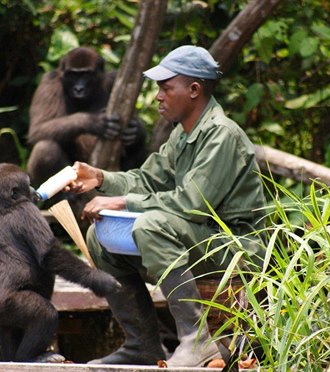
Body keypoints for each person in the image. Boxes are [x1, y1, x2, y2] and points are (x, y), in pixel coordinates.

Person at [67, 45, 266, 367]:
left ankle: (198, 339)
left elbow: (190, 204)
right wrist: (100, 178)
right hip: (200, 240)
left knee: (149, 224)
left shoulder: (221, 135)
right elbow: (147, 180)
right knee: (99, 238)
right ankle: (141, 345)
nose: (158, 96)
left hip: (236, 248)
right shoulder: (183, 134)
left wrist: (122, 200)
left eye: (165, 87)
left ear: (194, 90)